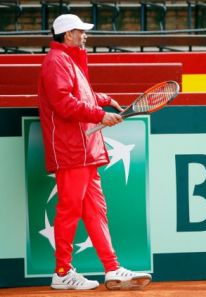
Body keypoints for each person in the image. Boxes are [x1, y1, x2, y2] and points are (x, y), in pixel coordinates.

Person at [38, 14, 152, 290]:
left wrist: (103, 99)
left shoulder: (70, 60)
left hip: (87, 150)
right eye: (81, 31)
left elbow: (81, 94)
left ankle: (112, 268)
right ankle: (62, 271)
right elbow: (64, 103)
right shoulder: (55, 62)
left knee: (96, 212)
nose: (85, 35)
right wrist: (101, 114)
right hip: (71, 150)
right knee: (69, 210)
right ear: (68, 35)